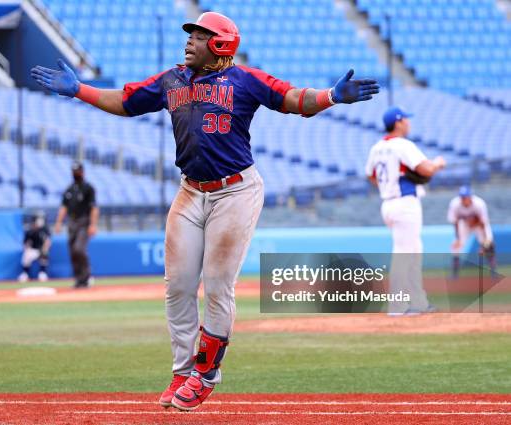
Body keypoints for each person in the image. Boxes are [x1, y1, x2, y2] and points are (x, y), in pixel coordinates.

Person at [31, 11, 379, 411]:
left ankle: (207, 372)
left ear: (221, 44)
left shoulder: (244, 79)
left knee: (216, 283)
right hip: (190, 190)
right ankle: (183, 371)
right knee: (177, 285)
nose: (190, 41)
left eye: (199, 35)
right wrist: (80, 91)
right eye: (191, 34)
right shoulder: (172, 79)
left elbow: (294, 99)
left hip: (236, 191)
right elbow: (125, 102)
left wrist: (331, 97)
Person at [365, 106, 446, 315]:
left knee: (414, 252)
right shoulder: (402, 145)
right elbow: (426, 169)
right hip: (404, 204)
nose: (409, 123)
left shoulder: (377, 147)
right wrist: (437, 164)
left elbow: (370, 175)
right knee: (404, 254)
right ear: (399, 122)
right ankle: (397, 307)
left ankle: (419, 302)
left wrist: (388, 185)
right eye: (406, 120)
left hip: (389, 204)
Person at [53, 161, 99, 289]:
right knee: (72, 251)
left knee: (79, 249)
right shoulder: (69, 189)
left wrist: (93, 224)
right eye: (73, 172)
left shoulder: (88, 188)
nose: (75, 174)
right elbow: (64, 207)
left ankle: (87, 276)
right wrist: (58, 223)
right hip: (72, 223)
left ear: (82, 172)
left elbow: (94, 208)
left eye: (77, 171)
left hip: (84, 222)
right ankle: (79, 279)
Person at [447, 185, 496, 278]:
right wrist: (458, 238)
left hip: (479, 226)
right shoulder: (455, 204)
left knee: (489, 245)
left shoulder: (479, 203)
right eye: (462, 197)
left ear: (470, 196)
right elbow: (455, 222)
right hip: (464, 225)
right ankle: (454, 274)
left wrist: (484, 244)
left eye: (465, 196)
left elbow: (483, 223)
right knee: (456, 248)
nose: (463, 199)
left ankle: (493, 272)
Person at [18, 211, 51, 283]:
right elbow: (26, 243)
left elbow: (48, 241)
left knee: (45, 253)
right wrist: (27, 249)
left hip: (41, 250)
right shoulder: (30, 230)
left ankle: (42, 273)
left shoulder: (45, 229)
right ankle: (25, 273)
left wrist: (45, 248)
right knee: (26, 255)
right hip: (33, 249)